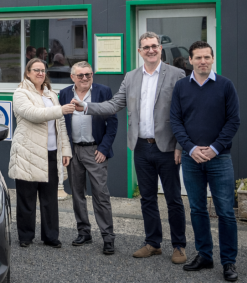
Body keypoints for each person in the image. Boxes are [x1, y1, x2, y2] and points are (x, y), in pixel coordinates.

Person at [72, 32, 187, 264]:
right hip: (141, 147)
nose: (151, 50)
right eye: (146, 47)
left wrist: (180, 146)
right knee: (147, 198)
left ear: (160, 48)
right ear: (139, 51)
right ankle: (153, 243)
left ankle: (179, 246)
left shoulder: (177, 74)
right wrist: (86, 107)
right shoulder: (132, 76)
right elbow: (115, 104)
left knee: (173, 199)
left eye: (154, 46)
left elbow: (183, 112)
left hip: (167, 147)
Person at [170, 41, 240, 282]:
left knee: (225, 212)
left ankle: (228, 261)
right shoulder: (181, 87)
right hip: (191, 159)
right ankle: (204, 255)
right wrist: (190, 148)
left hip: (219, 158)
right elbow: (176, 121)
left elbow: (233, 121)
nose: (202, 61)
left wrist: (214, 149)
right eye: (198, 57)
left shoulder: (225, 85)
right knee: (198, 209)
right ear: (190, 60)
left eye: (206, 57)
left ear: (212, 59)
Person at [10, 58, 73, 248]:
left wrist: (65, 150)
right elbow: (33, 114)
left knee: (50, 199)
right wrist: (60, 109)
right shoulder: (20, 93)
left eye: (43, 70)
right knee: (26, 198)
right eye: (36, 70)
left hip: (51, 153)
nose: (40, 73)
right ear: (28, 73)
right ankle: (25, 236)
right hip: (27, 153)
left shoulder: (50, 94)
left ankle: (51, 236)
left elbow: (60, 125)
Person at [58, 62, 118, 255]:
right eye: (81, 75)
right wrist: (65, 150)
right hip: (74, 150)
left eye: (88, 74)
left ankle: (108, 237)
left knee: (101, 195)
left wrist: (104, 148)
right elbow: (61, 122)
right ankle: (84, 232)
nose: (85, 78)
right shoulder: (64, 93)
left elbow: (112, 122)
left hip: (95, 150)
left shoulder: (103, 91)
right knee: (77, 194)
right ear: (72, 77)